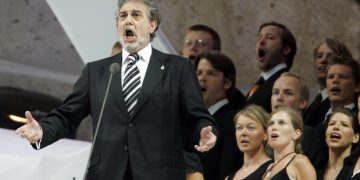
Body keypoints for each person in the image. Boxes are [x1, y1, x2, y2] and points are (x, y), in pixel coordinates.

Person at [15, 0, 218, 179]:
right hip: (107, 173)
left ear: (152, 25)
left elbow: (198, 116)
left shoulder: (177, 68)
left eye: (136, 15)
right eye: (123, 16)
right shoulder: (97, 71)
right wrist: (42, 131)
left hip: (159, 173)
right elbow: (67, 115)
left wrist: (204, 132)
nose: (128, 20)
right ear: (117, 25)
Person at [194, 51, 243, 180]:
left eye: (211, 73)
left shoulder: (234, 122)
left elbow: (228, 171)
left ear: (227, 83)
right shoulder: (194, 121)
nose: (202, 78)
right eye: (199, 73)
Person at [244, 21, 297, 113]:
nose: (261, 41)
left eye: (270, 37)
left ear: (286, 49)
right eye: (259, 38)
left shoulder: (282, 82)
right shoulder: (261, 82)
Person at [303, 38, 353, 127]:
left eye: (330, 56)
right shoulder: (315, 100)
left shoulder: (340, 102)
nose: (323, 60)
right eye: (319, 56)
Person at [263, 107, 316, 180]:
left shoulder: (300, 162)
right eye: (271, 123)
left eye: (281, 123)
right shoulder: (269, 167)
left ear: (296, 133)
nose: (274, 127)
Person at [225, 105, 272, 180]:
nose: (243, 133)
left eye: (251, 127)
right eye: (239, 128)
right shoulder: (228, 178)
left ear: (265, 134)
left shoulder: (273, 170)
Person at [317, 108, 359, 180]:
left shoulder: (357, 170)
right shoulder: (315, 168)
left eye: (344, 125)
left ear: (355, 137)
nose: (336, 127)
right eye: (332, 124)